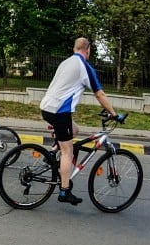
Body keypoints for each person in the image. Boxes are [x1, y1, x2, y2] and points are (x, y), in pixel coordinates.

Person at [40, 38, 123, 205]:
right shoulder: (84, 66)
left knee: (74, 130)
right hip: (60, 111)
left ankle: (51, 153)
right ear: (88, 50)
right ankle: (64, 191)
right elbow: (99, 94)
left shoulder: (66, 62)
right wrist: (113, 114)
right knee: (67, 151)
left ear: (74, 48)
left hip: (46, 107)